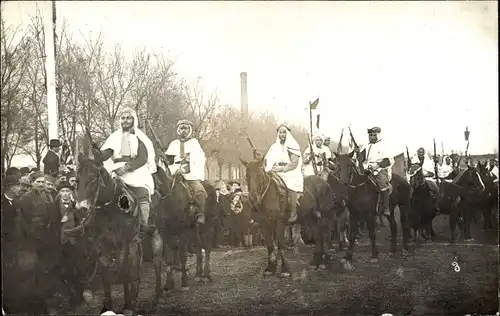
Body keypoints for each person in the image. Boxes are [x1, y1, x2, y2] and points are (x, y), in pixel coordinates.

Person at [100, 107, 157, 233]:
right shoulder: (114, 137)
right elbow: (107, 153)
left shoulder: (140, 137)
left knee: (142, 192)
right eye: (123, 118)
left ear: (133, 120)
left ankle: (144, 224)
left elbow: (143, 158)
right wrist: (97, 153)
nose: (125, 121)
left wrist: (126, 167)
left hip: (136, 171)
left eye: (128, 118)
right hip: (116, 170)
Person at [165, 119, 207, 225]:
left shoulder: (194, 144)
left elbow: (198, 159)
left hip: (190, 175)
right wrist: (170, 164)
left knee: (199, 191)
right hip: (174, 174)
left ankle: (201, 214)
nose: (183, 130)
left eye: (186, 128)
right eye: (181, 128)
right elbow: (169, 162)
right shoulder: (173, 144)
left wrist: (184, 169)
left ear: (190, 130)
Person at [264, 123, 303, 223]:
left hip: (290, 171)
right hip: (275, 170)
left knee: (290, 185)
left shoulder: (293, 145)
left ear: (288, 134)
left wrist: (282, 169)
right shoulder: (274, 146)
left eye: (284, 132)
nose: (282, 134)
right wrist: (270, 167)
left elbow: (294, 163)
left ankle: (293, 212)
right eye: (280, 132)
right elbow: (268, 159)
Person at [356, 127, 393, 216]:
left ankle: (386, 207)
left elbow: (388, 160)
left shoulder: (384, 146)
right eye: (370, 135)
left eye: (374, 135)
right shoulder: (366, 146)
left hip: (380, 169)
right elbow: (361, 159)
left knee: (382, 182)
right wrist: (357, 153)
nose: (372, 137)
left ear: (378, 135)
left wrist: (377, 165)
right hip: (367, 168)